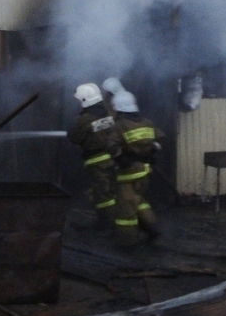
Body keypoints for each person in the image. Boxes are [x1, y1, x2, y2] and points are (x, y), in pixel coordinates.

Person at [111, 91, 163, 247]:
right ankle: (153, 228)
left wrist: (121, 159)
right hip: (145, 171)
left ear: (118, 109)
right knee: (140, 201)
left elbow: (111, 146)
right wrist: (150, 150)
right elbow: (160, 139)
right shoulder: (147, 122)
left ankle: (127, 243)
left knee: (126, 211)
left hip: (129, 173)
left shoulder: (120, 126)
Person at [68, 83, 121, 227]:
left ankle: (107, 224)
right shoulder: (109, 114)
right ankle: (117, 221)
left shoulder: (85, 120)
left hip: (97, 162)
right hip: (113, 159)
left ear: (85, 101)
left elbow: (74, 137)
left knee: (103, 196)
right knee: (112, 191)